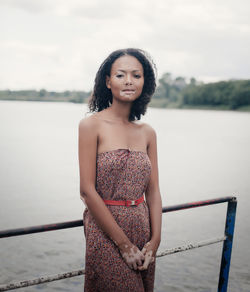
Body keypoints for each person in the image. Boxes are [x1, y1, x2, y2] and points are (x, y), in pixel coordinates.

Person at [78, 48, 162, 292]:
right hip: (106, 230)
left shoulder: (147, 132)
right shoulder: (91, 126)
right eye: (120, 75)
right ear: (108, 81)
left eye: (136, 75)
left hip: (142, 228)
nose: (128, 81)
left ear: (144, 82)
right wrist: (124, 246)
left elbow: (154, 191)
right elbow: (86, 191)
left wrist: (155, 240)